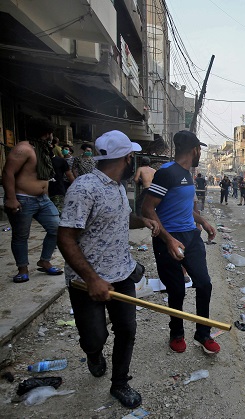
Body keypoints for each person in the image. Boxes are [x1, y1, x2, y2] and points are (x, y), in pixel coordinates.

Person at [57, 130, 157, 409]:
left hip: (122, 273)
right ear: (127, 158)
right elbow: (64, 237)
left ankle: (120, 383)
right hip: (86, 281)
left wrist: (143, 222)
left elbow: (118, 220)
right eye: (132, 157)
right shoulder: (84, 188)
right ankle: (93, 353)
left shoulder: (117, 187)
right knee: (94, 337)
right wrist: (92, 279)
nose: (133, 162)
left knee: (126, 330)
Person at [142, 130, 219, 355]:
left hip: (191, 237)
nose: (200, 153)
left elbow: (184, 208)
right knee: (176, 290)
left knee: (204, 283)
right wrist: (167, 239)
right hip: (168, 238)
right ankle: (176, 333)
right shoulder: (167, 173)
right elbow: (147, 208)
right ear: (195, 150)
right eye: (200, 150)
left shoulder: (187, 174)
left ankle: (203, 333)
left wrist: (203, 221)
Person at [2, 117, 64, 283]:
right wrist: (11, 198)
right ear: (46, 133)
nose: (52, 136)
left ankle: (44, 260)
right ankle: (22, 269)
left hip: (43, 199)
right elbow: (8, 172)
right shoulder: (23, 148)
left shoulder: (42, 149)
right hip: (23, 199)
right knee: (21, 236)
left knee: (57, 229)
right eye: (50, 133)